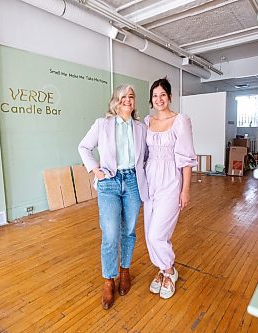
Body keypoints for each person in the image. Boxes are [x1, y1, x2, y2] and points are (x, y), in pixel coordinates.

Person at [78, 84, 148, 310]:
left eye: (131, 96)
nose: (127, 100)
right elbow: (84, 147)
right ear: (115, 102)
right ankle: (109, 279)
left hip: (133, 183)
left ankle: (125, 270)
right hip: (109, 182)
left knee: (129, 230)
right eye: (123, 97)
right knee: (110, 234)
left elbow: (146, 156)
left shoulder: (140, 127)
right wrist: (95, 170)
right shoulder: (103, 124)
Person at [144, 77, 197, 299]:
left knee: (158, 234)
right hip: (150, 182)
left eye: (162, 95)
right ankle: (161, 268)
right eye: (155, 96)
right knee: (150, 234)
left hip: (170, 182)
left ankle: (169, 270)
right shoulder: (147, 121)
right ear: (151, 99)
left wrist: (185, 190)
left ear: (170, 97)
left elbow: (186, 159)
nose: (159, 99)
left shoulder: (180, 121)